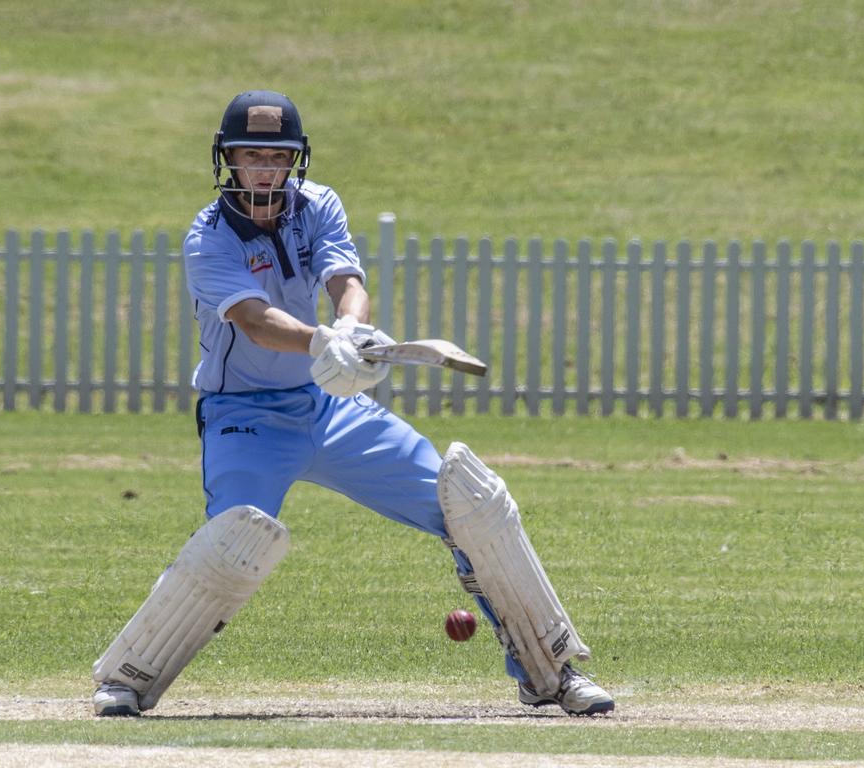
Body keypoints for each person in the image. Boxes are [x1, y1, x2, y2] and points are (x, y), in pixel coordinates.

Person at [90, 90, 614, 717]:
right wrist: (322, 340)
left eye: (276, 157)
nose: (263, 169)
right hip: (245, 417)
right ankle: (129, 677)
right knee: (232, 543)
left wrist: (352, 330)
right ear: (227, 160)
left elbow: (346, 281)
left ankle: (549, 672)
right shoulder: (208, 238)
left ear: (294, 161)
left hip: (326, 405)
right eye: (249, 155)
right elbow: (255, 322)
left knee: (472, 505)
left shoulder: (320, 206)